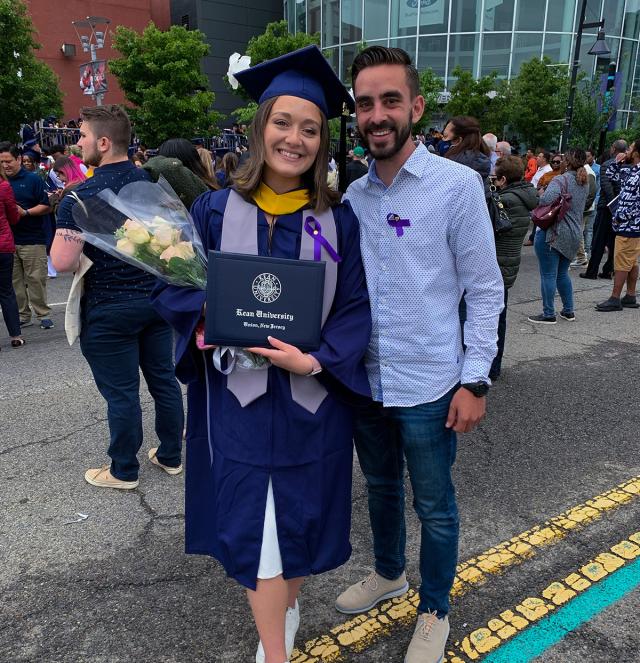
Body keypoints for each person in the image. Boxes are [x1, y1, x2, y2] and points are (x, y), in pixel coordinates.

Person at [151, 46, 371, 663]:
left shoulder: (337, 223)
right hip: (238, 401)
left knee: (294, 526)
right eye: (283, 123)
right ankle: (276, 651)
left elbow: (355, 307)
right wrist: (203, 323)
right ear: (259, 127)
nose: (294, 139)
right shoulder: (215, 210)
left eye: (310, 129)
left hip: (309, 404)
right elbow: (176, 285)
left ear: (322, 143)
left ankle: (287, 608)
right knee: (263, 531)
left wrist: (318, 361)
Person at [336, 46, 504, 663]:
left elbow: (486, 289)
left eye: (389, 101)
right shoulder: (352, 196)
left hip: (432, 382)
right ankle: (389, 574)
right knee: (379, 487)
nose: (376, 115)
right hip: (366, 381)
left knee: (434, 504)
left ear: (416, 107)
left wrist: (475, 381)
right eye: (365, 104)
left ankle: (434, 607)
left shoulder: (456, 187)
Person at [50, 104, 184, 490]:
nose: (78, 143)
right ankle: (171, 456)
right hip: (156, 303)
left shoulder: (81, 196)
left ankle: (123, 470)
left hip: (108, 308)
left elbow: (61, 261)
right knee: (163, 381)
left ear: (103, 143)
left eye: (83, 136)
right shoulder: (152, 187)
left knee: (122, 393)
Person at [489, 156, 538, 379]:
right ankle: (495, 364)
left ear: (503, 179)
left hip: (497, 261)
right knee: (500, 315)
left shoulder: (505, 200)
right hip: (510, 261)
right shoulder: (525, 196)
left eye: (495, 177)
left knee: (492, 318)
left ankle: (491, 366)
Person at [528, 148, 589, 324]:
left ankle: (548, 313)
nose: (559, 162)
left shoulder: (559, 180)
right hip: (574, 233)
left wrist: (539, 193)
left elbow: (545, 201)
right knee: (562, 273)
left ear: (567, 162)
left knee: (548, 274)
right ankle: (568, 310)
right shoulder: (584, 182)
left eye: (561, 159)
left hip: (554, 232)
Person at [0, 143, 53, 329]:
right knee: (14, 281)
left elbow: (46, 206)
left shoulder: (33, 179)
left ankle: (43, 314)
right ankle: (23, 315)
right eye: (1, 162)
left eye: (8, 161)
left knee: (36, 278)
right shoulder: (1, 182)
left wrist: (26, 212)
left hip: (32, 238)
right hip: (8, 241)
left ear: (19, 159)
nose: (5, 165)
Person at [595, 139, 640, 312]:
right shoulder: (633, 169)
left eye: (630, 148)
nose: (627, 150)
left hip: (630, 225)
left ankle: (615, 298)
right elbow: (614, 177)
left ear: (636, 152)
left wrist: (620, 216)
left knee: (621, 261)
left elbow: (632, 200)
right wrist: (617, 163)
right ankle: (629, 295)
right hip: (629, 224)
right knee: (631, 262)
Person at [579, 140, 629, 281]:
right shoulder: (628, 166)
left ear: (613, 149)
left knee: (599, 240)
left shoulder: (607, 165)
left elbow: (607, 188)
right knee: (613, 241)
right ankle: (608, 270)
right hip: (620, 208)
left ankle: (592, 271)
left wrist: (613, 206)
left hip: (606, 207)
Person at [0, 166, 25, 349]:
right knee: (6, 290)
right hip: (3, 244)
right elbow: (13, 217)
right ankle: (15, 335)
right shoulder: (4, 187)